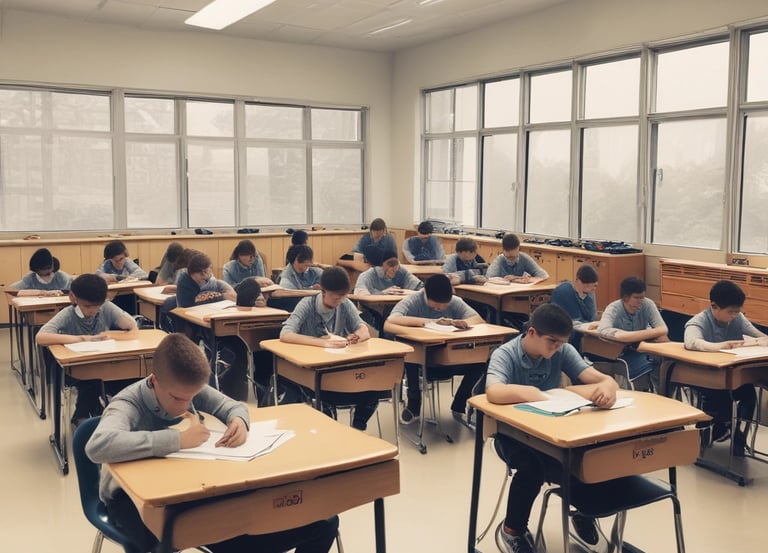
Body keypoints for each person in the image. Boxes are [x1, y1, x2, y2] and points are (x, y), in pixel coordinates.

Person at [85, 333, 339, 553]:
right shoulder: (127, 403)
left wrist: (239, 420)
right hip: (127, 499)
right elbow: (98, 445)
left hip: (189, 485)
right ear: (154, 381)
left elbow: (230, 405)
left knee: (323, 523)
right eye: (178, 398)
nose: (186, 405)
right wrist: (178, 440)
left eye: (192, 397)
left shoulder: (187, 387)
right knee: (165, 538)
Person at [486, 304, 618, 553]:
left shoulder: (562, 349)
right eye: (552, 342)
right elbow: (493, 390)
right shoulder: (506, 354)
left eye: (561, 343)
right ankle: (512, 529)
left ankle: (583, 514)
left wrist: (608, 386)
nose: (557, 347)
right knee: (531, 467)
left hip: (553, 430)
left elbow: (599, 378)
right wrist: (535, 394)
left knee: (589, 455)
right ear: (532, 333)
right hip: (511, 435)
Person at [280, 267, 382, 431]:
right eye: (335, 298)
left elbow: (363, 329)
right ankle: (330, 433)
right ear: (323, 291)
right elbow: (285, 334)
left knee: (373, 390)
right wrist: (322, 343)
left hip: (338, 366)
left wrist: (357, 336)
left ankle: (357, 429)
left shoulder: (345, 303)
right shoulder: (307, 304)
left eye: (343, 296)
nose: (339, 301)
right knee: (324, 398)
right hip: (313, 371)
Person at [36, 273, 138, 425]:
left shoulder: (107, 308)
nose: (94, 310)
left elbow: (133, 327)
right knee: (92, 382)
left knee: (133, 379)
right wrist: (81, 339)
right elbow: (40, 337)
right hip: (78, 369)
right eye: (88, 306)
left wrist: (113, 334)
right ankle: (82, 418)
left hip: (106, 364)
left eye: (98, 305)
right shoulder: (68, 314)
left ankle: (119, 416)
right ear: (73, 297)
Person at [383, 274, 485, 424]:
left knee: (481, 361)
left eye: (444, 306)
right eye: (436, 306)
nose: (439, 309)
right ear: (425, 292)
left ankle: (459, 404)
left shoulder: (454, 301)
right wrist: (429, 322)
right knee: (410, 353)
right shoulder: (412, 301)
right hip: (422, 361)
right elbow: (390, 322)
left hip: (449, 357)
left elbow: (478, 320)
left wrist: (461, 322)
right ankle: (414, 405)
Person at [684, 280, 766, 455]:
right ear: (714, 306)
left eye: (737, 311)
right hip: (706, 377)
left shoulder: (738, 319)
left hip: (732, 375)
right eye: (731, 312)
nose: (735, 315)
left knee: (748, 395)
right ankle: (718, 430)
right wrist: (720, 346)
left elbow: (759, 336)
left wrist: (759, 341)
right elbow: (691, 342)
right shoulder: (698, 322)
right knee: (722, 401)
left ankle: (739, 437)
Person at [597, 276, 668, 391]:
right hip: (620, 352)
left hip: (641, 348)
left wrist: (633, 336)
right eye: (636, 298)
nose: (640, 302)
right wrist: (626, 336)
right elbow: (603, 330)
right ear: (625, 297)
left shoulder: (647, 304)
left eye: (642, 297)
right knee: (641, 367)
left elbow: (663, 329)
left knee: (665, 360)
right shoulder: (614, 308)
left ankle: (661, 392)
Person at [549, 264, 599, 350]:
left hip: (582, 326)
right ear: (577, 281)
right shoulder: (564, 291)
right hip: (565, 326)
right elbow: (564, 318)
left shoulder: (589, 292)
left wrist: (584, 296)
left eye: (594, 286)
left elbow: (592, 317)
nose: (591, 289)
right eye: (586, 286)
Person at [353, 246, 423, 296]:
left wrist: (402, 292)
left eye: (396, 264)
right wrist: (382, 294)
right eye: (391, 264)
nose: (395, 268)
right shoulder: (366, 276)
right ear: (380, 265)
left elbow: (423, 290)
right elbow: (361, 296)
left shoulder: (401, 271)